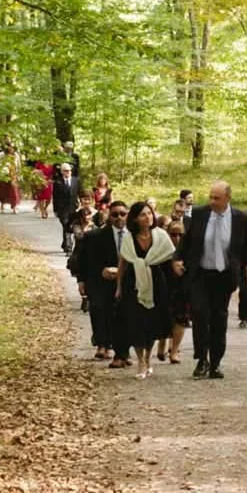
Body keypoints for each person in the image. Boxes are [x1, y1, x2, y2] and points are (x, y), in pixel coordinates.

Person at [181, 181, 247, 379]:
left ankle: (216, 363)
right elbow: (187, 242)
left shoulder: (240, 218)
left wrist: (237, 269)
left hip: (224, 276)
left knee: (219, 318)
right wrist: (178, 260)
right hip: (201, 274)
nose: (212, 201)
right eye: (211, 197)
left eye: (217, 198)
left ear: (228, 198)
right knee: (200, 315)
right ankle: (201, 359)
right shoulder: (200, 214)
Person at [117, 201, 176, 379]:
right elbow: (123, 263)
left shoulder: (161, 235)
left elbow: (170, 257)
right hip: (133, 282)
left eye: (149, 213)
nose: (147, 217)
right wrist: (119, 286)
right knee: (136, 321)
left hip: (156, 281)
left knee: (152, 322)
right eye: (143, 214)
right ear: (135, 219)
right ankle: (140, 361)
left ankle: (149, 358)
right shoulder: (128, 238)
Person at [73, 200, 130, 366]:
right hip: (99, 280)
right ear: (109, 216)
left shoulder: (134, 235)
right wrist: (82, 279)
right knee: (98, 310)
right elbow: (83, 260)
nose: (119, 218)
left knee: (121, 314)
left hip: (126, 280)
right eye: (115, 214)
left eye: (122, 214)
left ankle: (122, 350)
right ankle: (101, 344)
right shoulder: (95, 236)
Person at [164, 220, 190, 364]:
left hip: (182, 289)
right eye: (173, 234)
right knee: (165, 318)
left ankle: (174, 351)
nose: (177, 238)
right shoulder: (162, 249)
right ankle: (163, 345)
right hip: (166, 288)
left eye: (181, 235)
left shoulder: (189, 251)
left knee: (180, 319)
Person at [52, 162, 81, 254]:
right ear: (62, 172)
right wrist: (55, 210)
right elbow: (55, 197)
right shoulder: (58, 183)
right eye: (65, 171)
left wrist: (82, 205)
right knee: (66, 225)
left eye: (69, 170)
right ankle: (69, 247)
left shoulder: (76, 181)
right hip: (62, 209)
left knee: (71, 227)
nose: (68, 172)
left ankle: (65, 243)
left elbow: (80, 193)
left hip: (74, 208)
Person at [0, 144, 22, 214]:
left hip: (13, 175)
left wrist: (19, 174)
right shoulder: (1, 154)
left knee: (14, 190)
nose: (11, 149)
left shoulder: (16, 155)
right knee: (3, 191)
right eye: (10, 147)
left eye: (12, 148)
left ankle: (14, 207)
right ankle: (2, 204)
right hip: (3, 175)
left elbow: (19, 165)